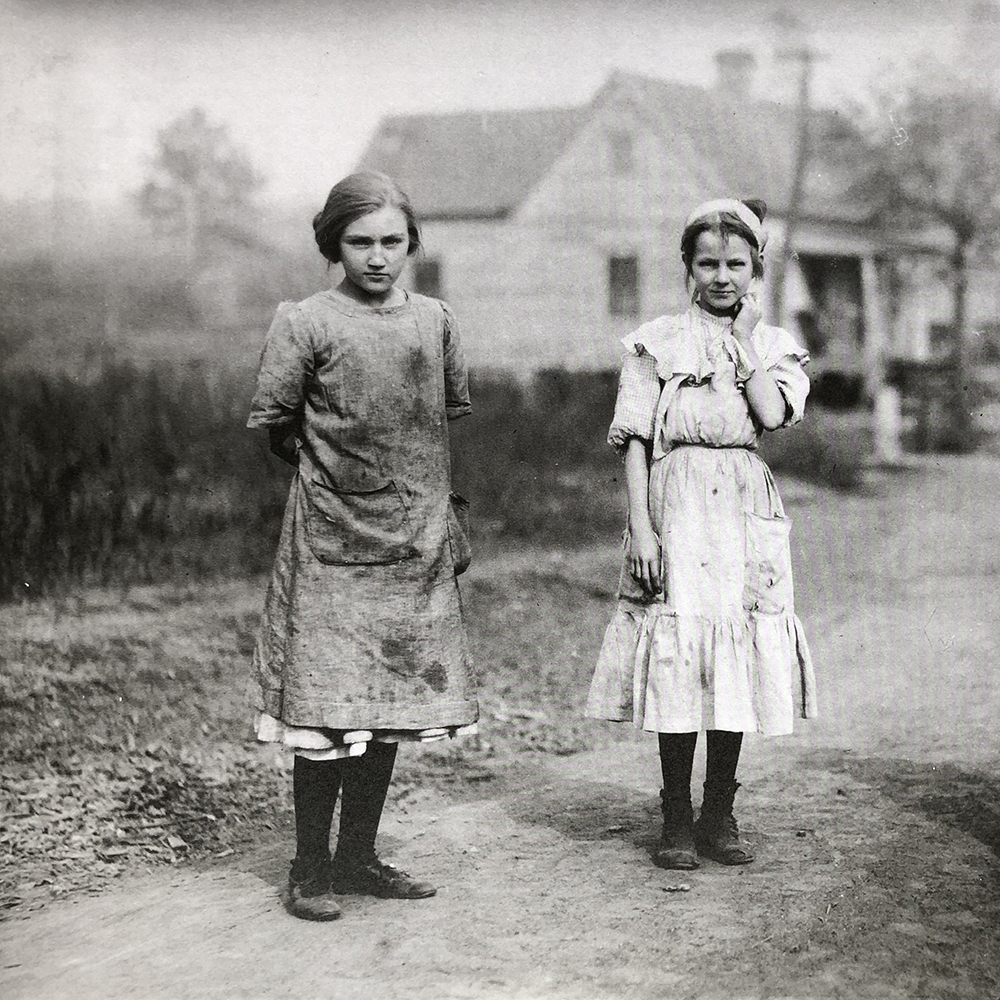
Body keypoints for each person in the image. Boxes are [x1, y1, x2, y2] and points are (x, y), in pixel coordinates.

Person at [247, 171, 477, 920]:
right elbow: (279, 424)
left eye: (391, 241)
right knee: (324, 709)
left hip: (415, 540)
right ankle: (309, 868)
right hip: (330, 540)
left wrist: (437, 510)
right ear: (332, 243)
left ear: (411, 242)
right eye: (359, 242)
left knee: (387, 703)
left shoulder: (434, 319)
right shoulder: (305, 320)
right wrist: (340, 484)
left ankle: (359, 858)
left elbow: (438, 421)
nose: (378, 257)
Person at [586, 198, 817, 871]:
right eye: (707, 262)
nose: (721, 276)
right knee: (679, 655)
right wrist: (644, 530)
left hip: (743, 508)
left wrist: (744, 345)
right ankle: (676, 817)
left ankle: (720, 811)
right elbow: (632, 441)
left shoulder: (772, 345)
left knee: (735, 653)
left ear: (757, 270)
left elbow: (771, 414)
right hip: (675, 504)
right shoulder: (656, 341)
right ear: (687, 266)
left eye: (736, 264)